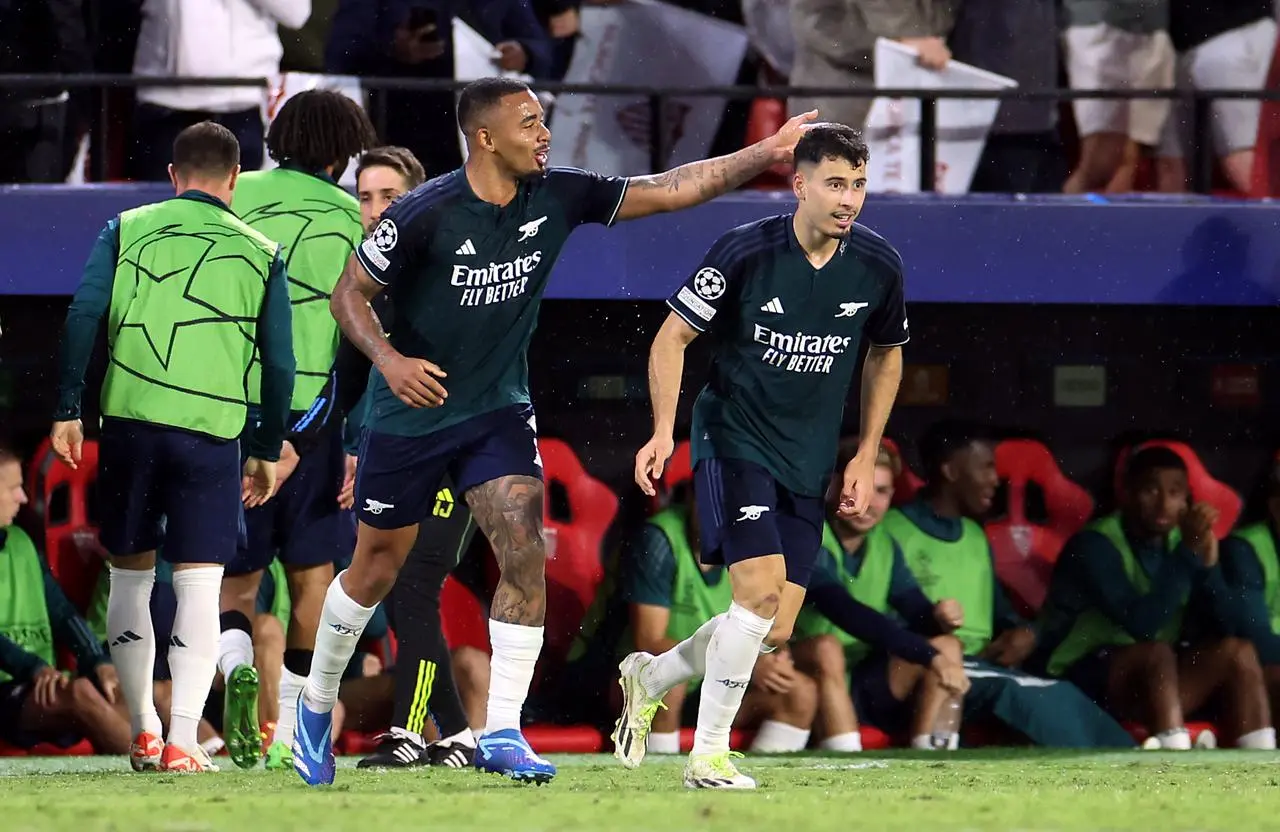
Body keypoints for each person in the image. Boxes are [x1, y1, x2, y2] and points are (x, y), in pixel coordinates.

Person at [291, 75, 817, 787]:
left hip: (495, 411)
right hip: (410, 414)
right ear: (484, 137)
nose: (544, 134)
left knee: (521, 548)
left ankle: (503, 729)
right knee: (375, 570)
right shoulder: (424, 213)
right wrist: (388, 359)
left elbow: (674, 187)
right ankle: (315, 706)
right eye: (529, 123)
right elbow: (346, 295)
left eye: (544, 121)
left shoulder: (560, 193)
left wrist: (769, 152)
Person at [619, 122, 966, 789]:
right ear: (799, 182)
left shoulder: (877, 263)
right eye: (836, 183)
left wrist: (865, 454)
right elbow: (671, 339)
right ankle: (709, 757)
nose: (849, 199)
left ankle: (651, 674)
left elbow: (887, 355)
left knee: (772, 626)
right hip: (734, 439)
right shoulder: (744, 251)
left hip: (808, 461)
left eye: (860, 185)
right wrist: (663, 430)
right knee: (754, 593)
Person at [49, 121, 296, 773]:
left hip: (129, 428)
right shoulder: (263, 250)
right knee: (199, 586)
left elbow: (82, 315)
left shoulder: (124, 228)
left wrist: (68, 407)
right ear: (236, 181)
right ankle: (184, 740)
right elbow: (279, 367)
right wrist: (267, 445)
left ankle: (143, 730)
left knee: (129, 577)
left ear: (173, 176)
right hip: (211, 436)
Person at [218, 89, 377, 771]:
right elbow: (353, 344)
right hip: (310, 427)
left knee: (232, 586)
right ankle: (287, 728)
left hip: (226, 418)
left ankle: (231, 674)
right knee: (313, 578)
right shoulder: (353, 220)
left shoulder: (235, 197)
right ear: (342, 153)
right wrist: (317, 442)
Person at [1030, 446, 1275, 750]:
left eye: (1175, 493)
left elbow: (1227, 622)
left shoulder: (1181, 542)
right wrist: (1187, 555)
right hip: (1080, 680)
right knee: (1155, 653)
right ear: (1127, 492)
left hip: (1156, 684)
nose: (1164, 504)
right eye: (1150, 490)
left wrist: (1209, 566)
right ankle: (1174, 756)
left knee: (1239, 651)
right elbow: (1143, 624)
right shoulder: (1094, 544)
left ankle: (1262, 766)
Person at [0, 447, 132, 756]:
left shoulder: (21, 542)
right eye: (12, 488)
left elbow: (62, 612)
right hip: (10, 688)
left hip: (40, 683)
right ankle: (157, 768)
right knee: (81, 694)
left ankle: (200, 758)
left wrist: (96, 660)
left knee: (136, 690)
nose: (22, 497)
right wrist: (33, 669)